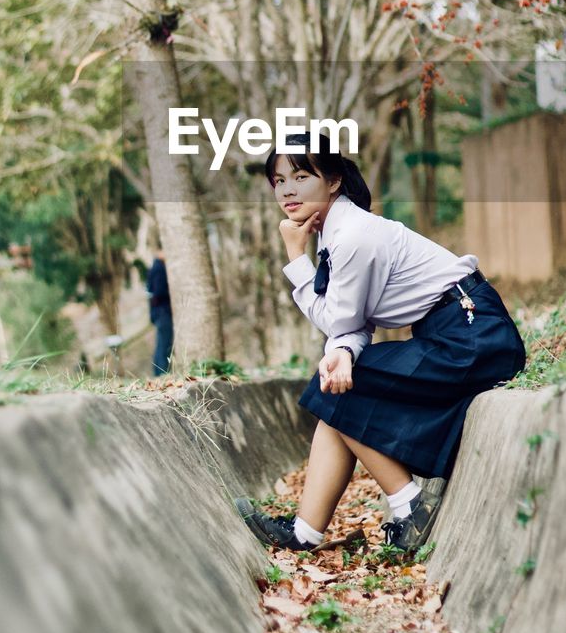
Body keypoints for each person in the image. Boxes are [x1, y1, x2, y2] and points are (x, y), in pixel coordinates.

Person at [237, 132, 526, 555]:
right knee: (336, 388)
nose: (288, 190)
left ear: (333, 180)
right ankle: (305, 533)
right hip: (456, 333)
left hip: (471, 335)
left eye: (301, 176)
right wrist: (341, 353)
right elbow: (351, 324)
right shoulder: (336, 231)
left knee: (335, 389)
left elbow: (339, 319)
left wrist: (296, 261)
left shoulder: (353, 235)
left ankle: (408, 505)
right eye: (279, 181)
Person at [146, 249, 174, 376]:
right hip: (162, 312)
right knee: (164, 345)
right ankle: (162, 373)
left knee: (162, 344)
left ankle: (159, 372)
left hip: (159, 312)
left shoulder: (156, 267)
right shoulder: (159, 269)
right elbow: (158, 292)